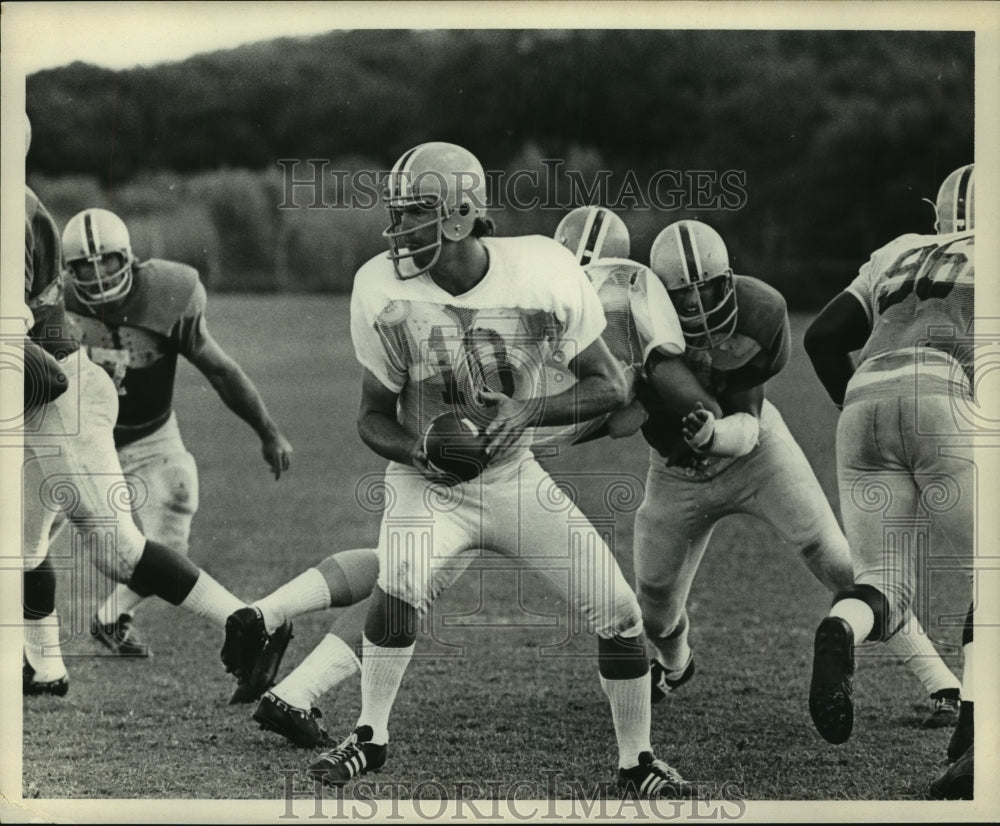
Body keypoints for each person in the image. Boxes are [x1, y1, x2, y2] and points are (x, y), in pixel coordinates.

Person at [301, 142, 695, 798]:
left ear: (459, 216)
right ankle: (370, 736)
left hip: (514, 477)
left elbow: (612, 385)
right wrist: (412, 450)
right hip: (429, 482)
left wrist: (531, 408)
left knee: (621, 611)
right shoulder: (379, 286)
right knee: (399, 578)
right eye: (397, 213)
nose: (398, 229)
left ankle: (636, 763)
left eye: (414, 213)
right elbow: (371, 416)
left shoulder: (542, 268)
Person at [633, 218, 960, 722]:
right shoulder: (636, 323)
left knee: (839, 562)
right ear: (660, 296)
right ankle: (676, 664)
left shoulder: (759, 312)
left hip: (757, 452)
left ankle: (941, 683)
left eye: (708, 291)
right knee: (653, 600)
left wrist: (711, 433)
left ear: (729, 280)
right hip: (678, 476)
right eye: (684, 297)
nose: (698, 307)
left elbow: (745, 420)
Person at [20, 117, 288, 700]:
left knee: (118, 551)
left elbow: (27, 349)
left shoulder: (15, 212)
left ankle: (249, 623)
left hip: (53, 390)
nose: (95, 277)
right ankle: (43, 668)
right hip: (29, 393)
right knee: (19, 542)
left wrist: (268, 430)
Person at [803, 164, 975, 799]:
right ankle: (976, 734)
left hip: (865, 402)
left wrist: (863, 412)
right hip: (945, 397)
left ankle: (841, 628)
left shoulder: (899, 251)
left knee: (885, 588)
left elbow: (822, 337)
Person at [61, 207, 293, 662]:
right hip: (79, 437)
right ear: (67, 271)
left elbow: (222, 372)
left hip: (150, 433)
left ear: (128, 257)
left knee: (174, 521)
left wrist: (268, 432)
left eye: (105, 261)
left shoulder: (168, 294)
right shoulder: (55, 301)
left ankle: (111, 617)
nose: (96, 275)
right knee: (37, 538)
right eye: (83, 267)